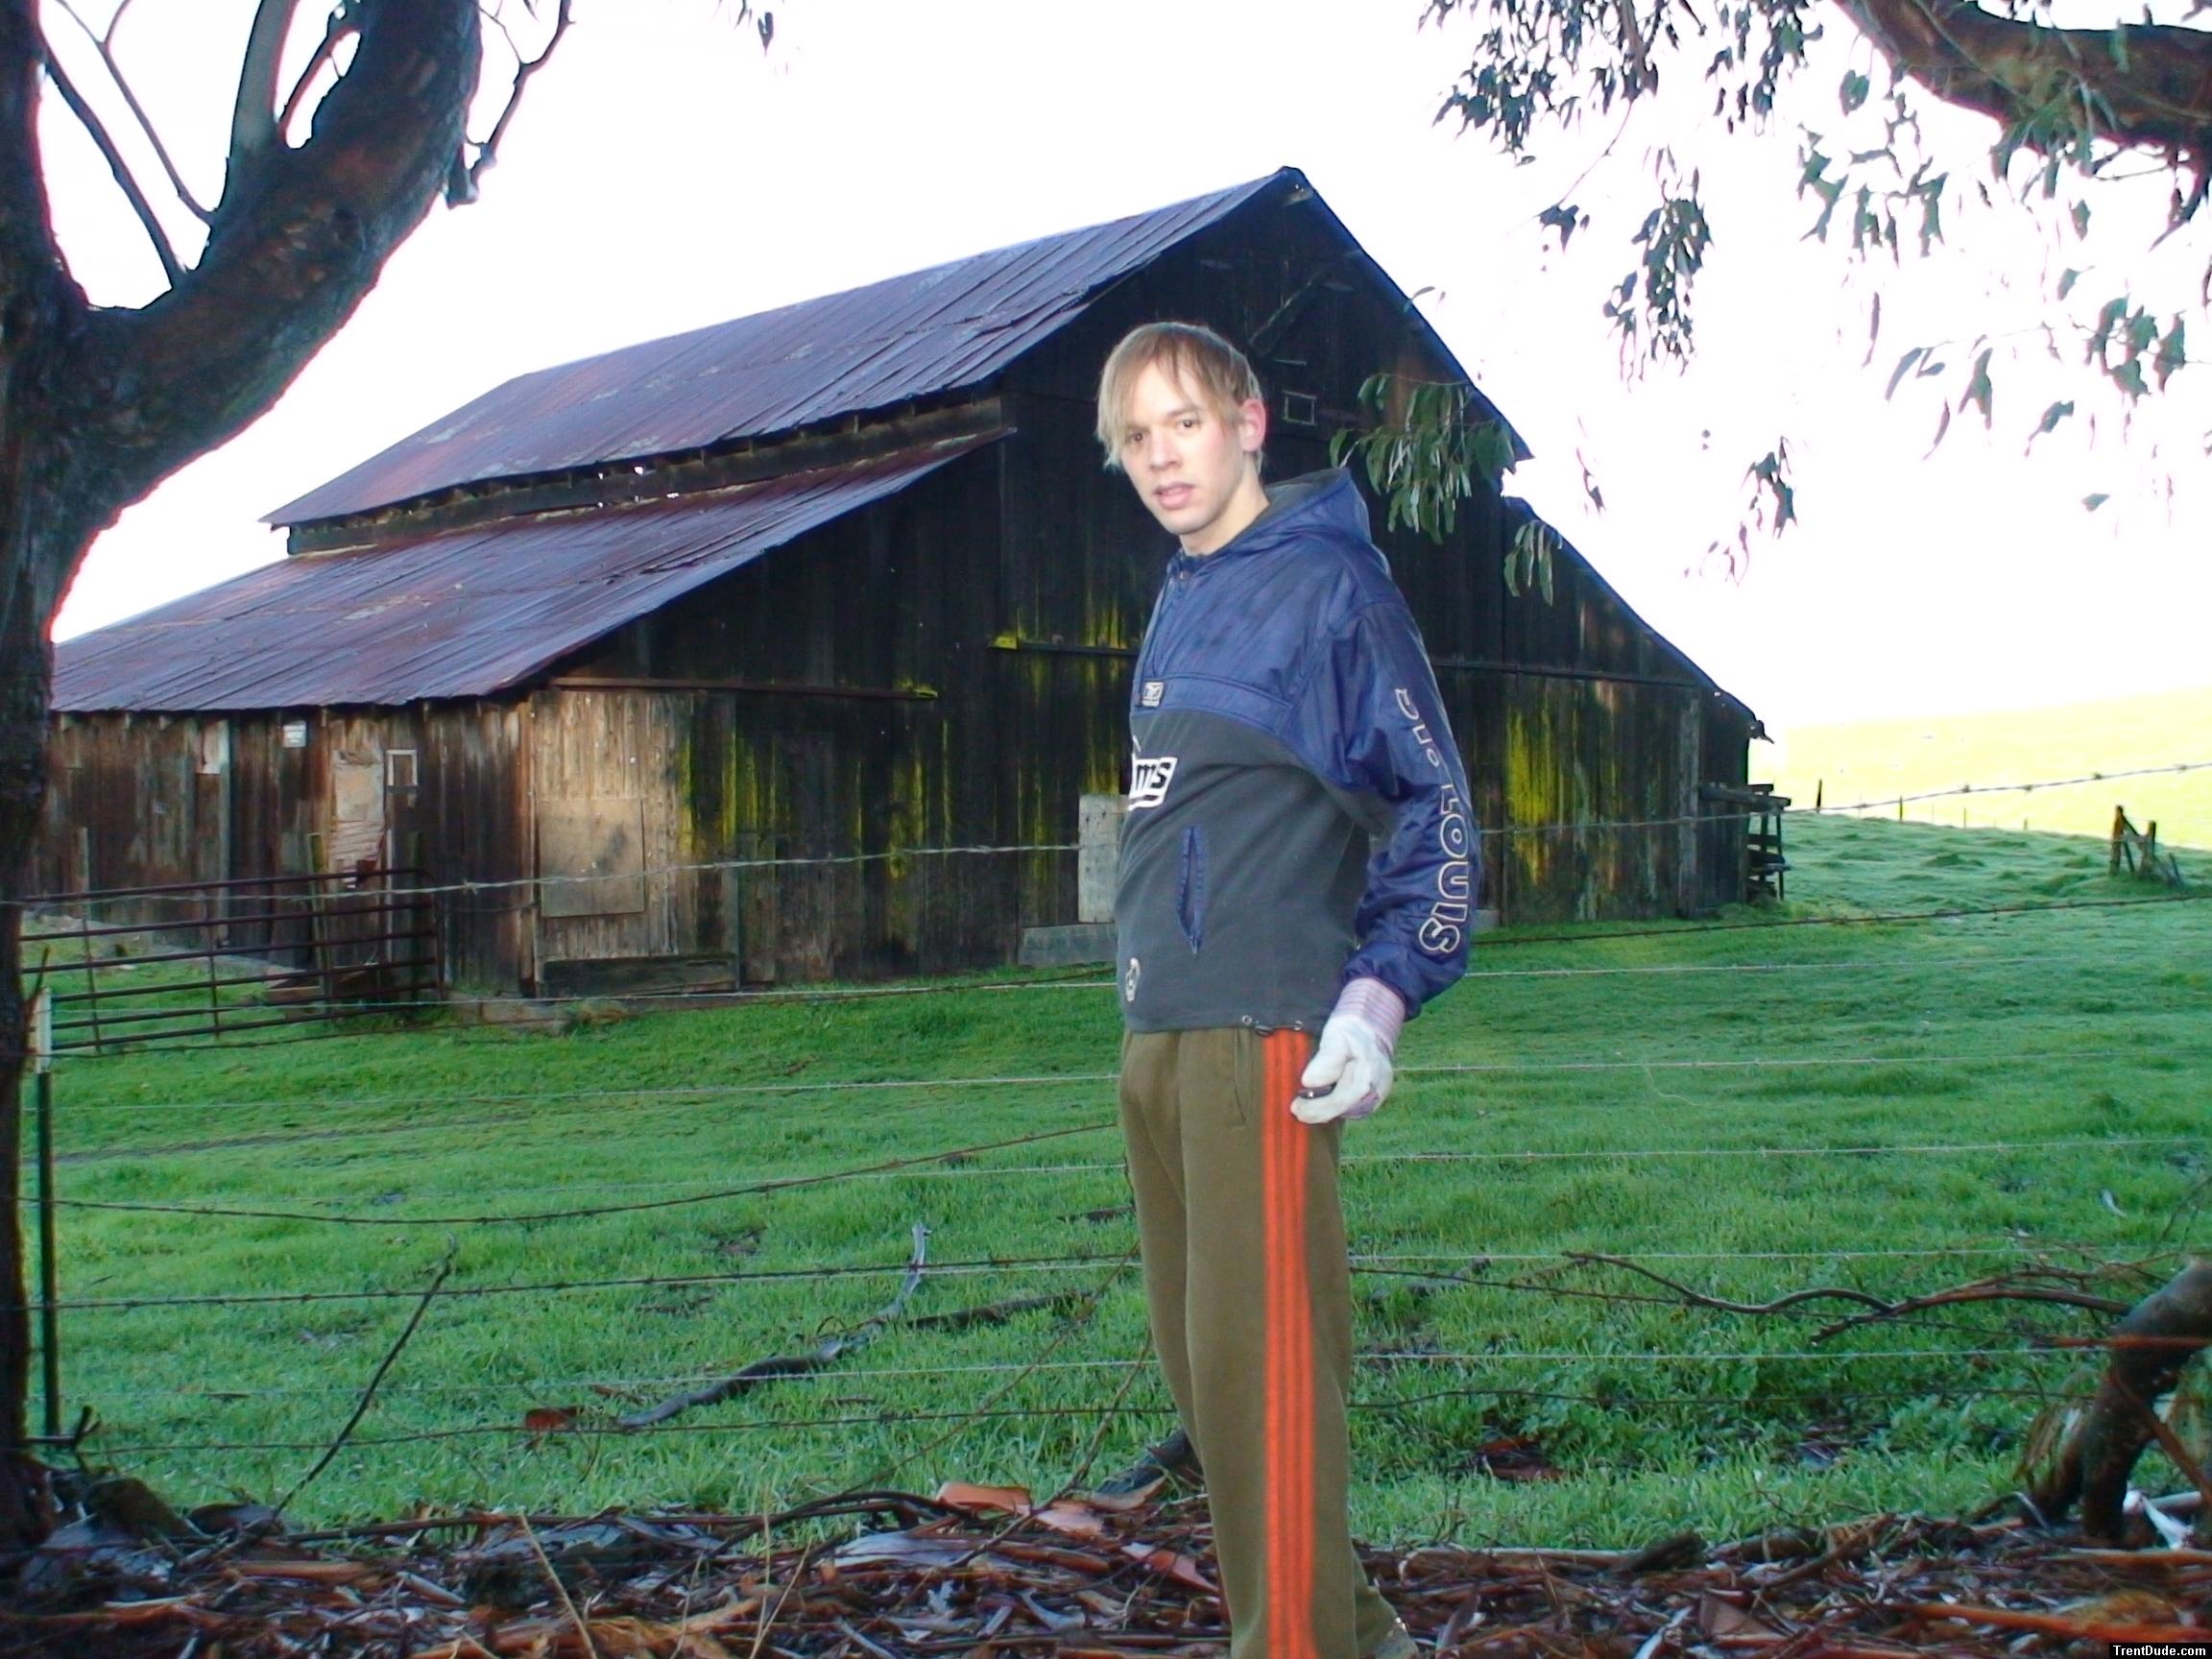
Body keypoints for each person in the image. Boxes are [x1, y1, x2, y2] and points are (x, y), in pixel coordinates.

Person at [1096, 321, 1476, 1659]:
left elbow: (1436, 815)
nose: (1161, 456)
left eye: (1183, 422)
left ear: (1249, 420)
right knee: (1214, 1394)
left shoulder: (1327, 592)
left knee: (1266, 1388)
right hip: (1159, 1036)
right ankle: (1354, 1631)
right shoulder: (1188, 588)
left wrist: (1374, 1010)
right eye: (1136, 436)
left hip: (1258, 1036)